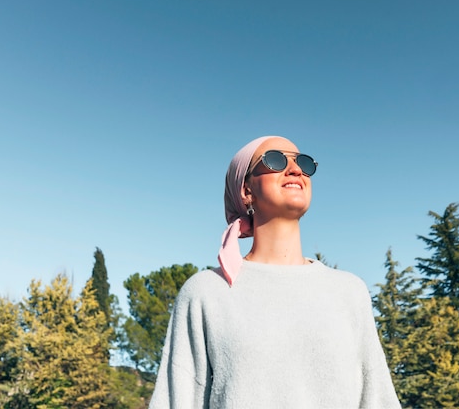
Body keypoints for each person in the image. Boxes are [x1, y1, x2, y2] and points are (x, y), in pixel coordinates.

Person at [149, 136, 401, 409]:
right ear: (246, 191)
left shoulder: (349, 292)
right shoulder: (206, 292)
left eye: (302, 163)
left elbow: (377, 398)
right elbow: (178, 399)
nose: (295, 169)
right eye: (275, 160)